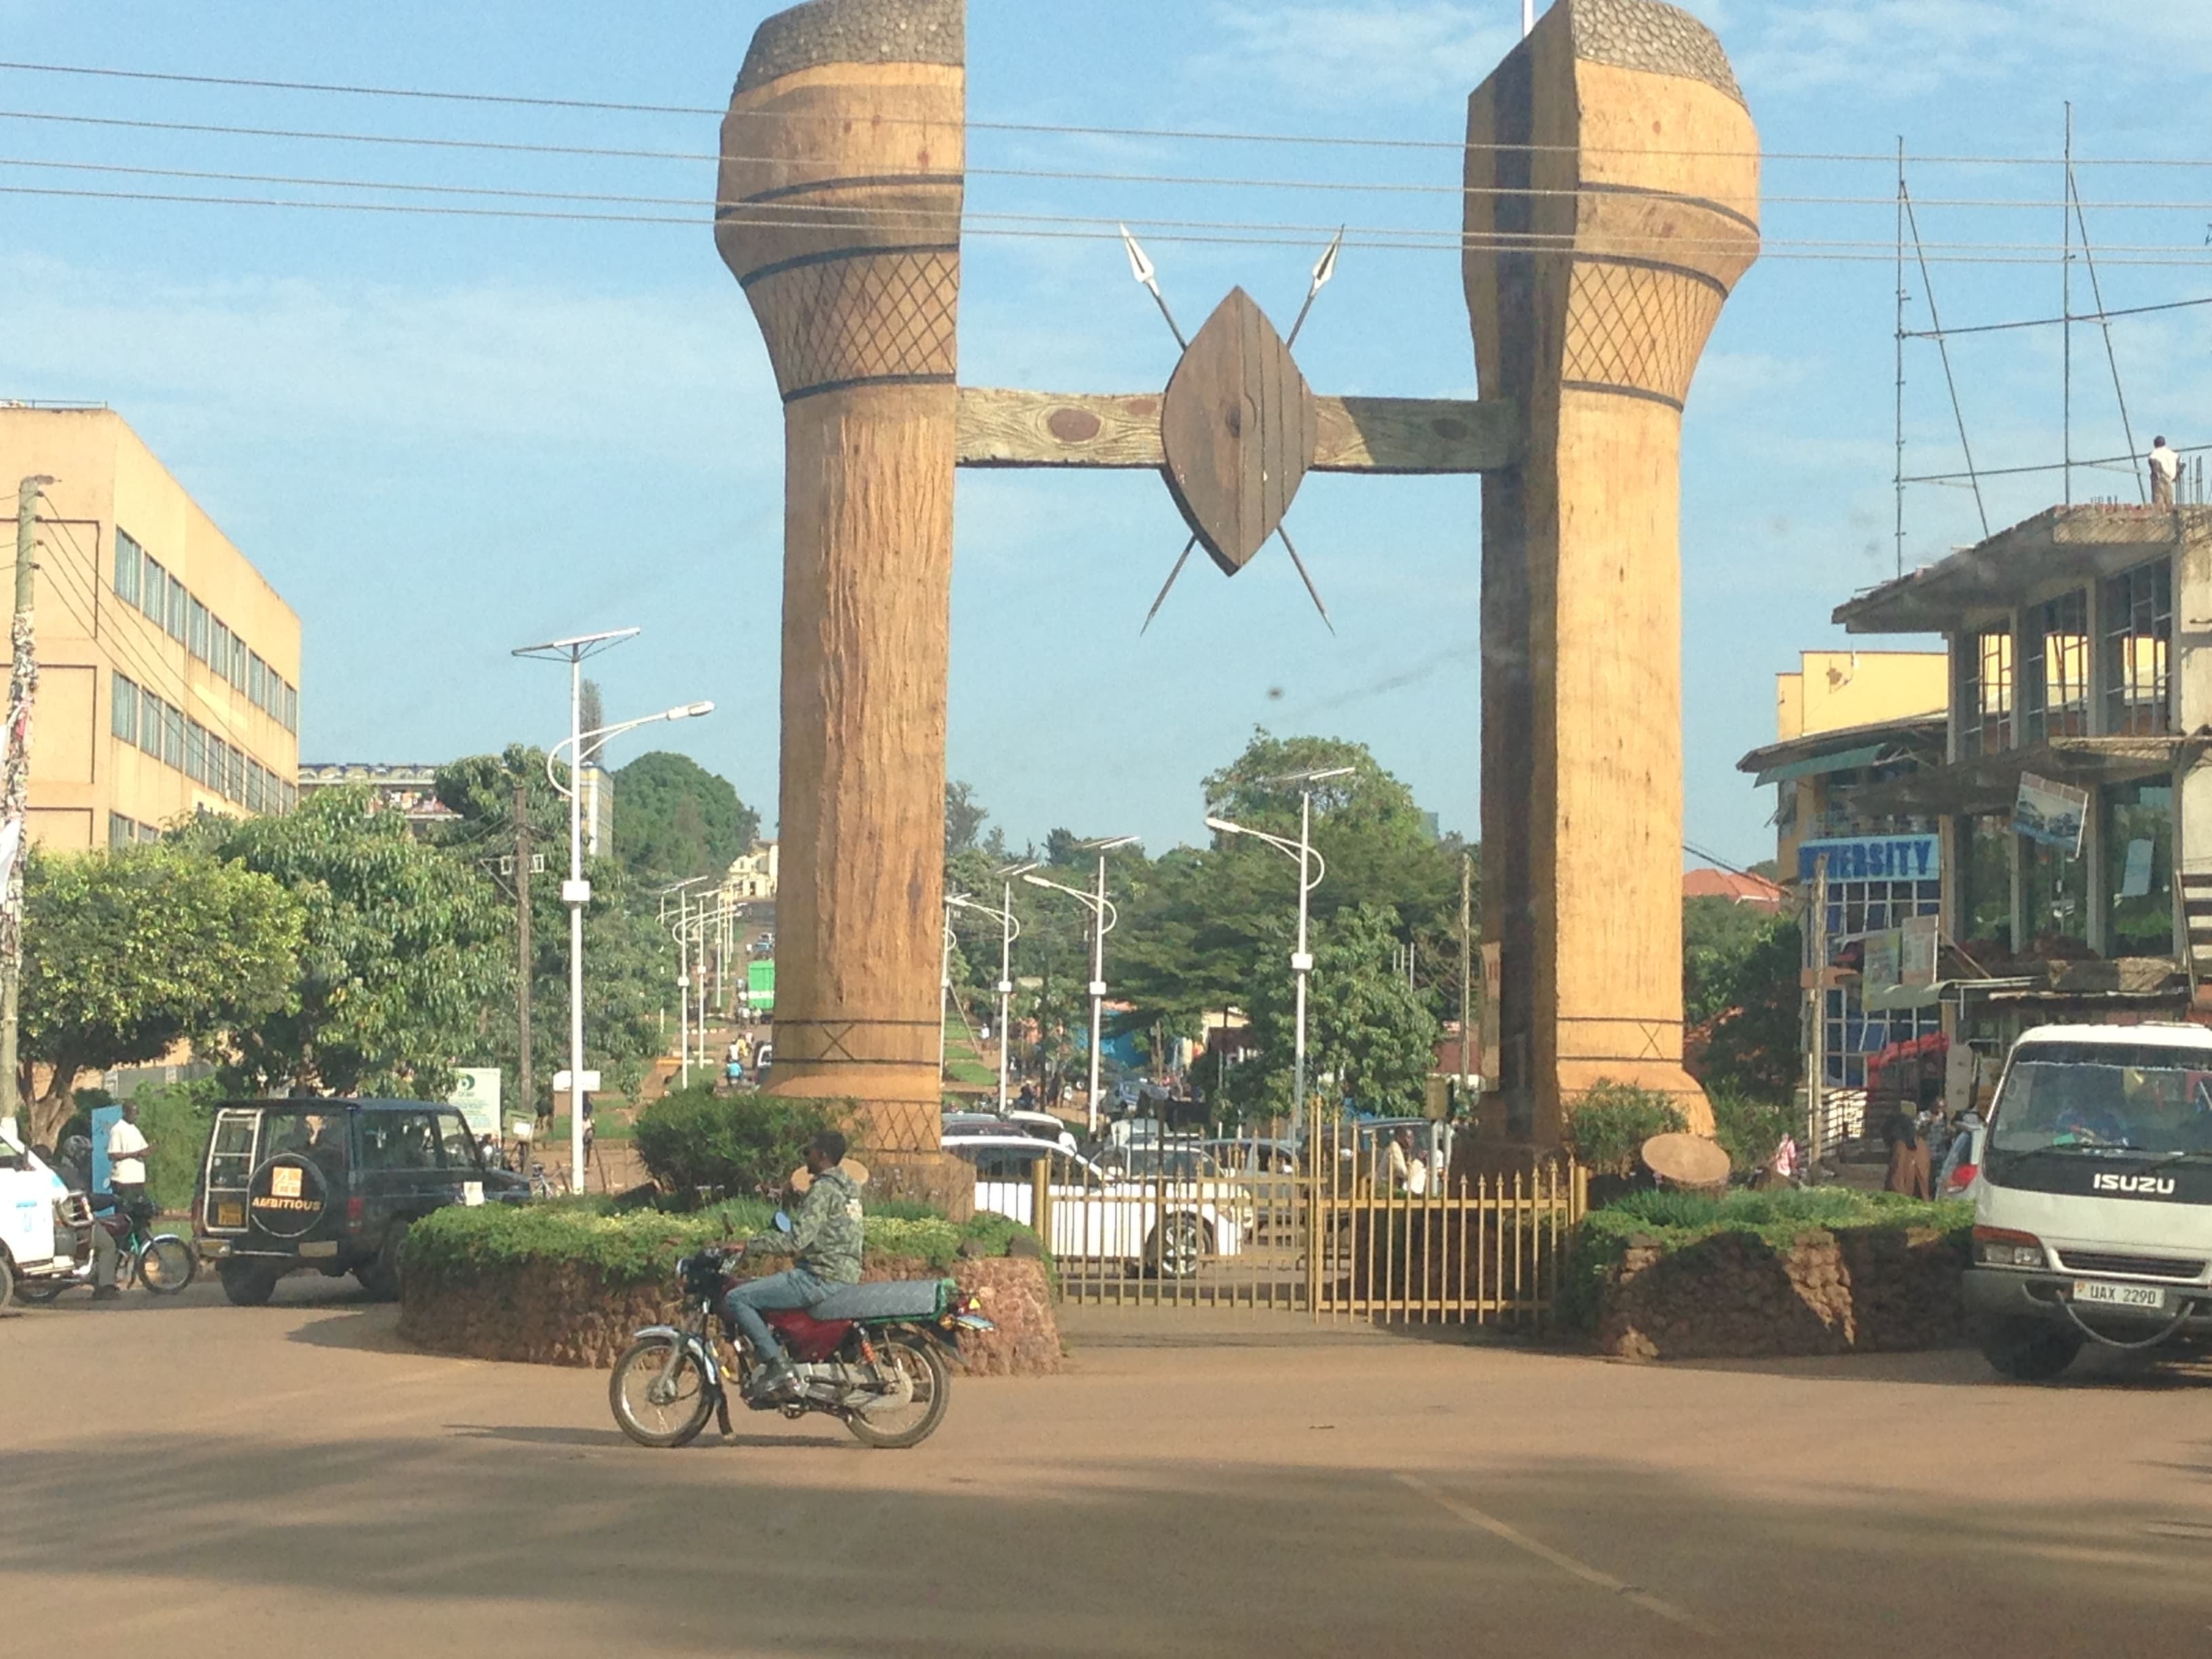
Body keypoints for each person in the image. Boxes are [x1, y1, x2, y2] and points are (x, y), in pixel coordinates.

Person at [722, 1130, 863, 1397]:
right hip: (844, 1273)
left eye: (808, 1152)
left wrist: (749, 1245)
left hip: (819, 1277)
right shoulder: (850, 1188)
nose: (805, 1157)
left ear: (821, 1155)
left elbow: (797, 1241)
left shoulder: (823, 1190)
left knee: (737, 1298)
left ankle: (777, 1365)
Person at [52, 1134, 119, 1299]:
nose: (87, 1157)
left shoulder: (60, 1171)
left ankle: (96, 1274)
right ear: (75, 1154)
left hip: (64, 1220)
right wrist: (112, 1200)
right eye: (84, 1153)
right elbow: (86, 1200)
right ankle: (105, 1287)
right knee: (108, 1245)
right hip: (76, 1224)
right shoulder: (72, 1175)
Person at [106, 1101, 155, 1228]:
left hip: (137, 1180)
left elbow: (142, 1149)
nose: (136, 1116)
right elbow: (113, 1155)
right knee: (124, 1217)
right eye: (133, 1113)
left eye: (137, 1113)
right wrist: (135, 1154)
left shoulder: (134, 1129)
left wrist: (148, 1151)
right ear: (125, 1112)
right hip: (124, 1181)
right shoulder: (118, 1129)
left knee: (139, 1215)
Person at [1881, 1105, 1931, 1200]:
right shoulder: (1921, 1144)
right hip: (1919, 1195)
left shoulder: (1900, 1146)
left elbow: (1897, 1173)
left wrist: (1894, 1197)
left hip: (1904, 1196)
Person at [2150, 435, 2182, 508]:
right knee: (2169, 499)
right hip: (2170, 478)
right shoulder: (2172, 454)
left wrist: (2156, 475)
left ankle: (2160, 516)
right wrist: (2177, 475)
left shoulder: (2154, 454)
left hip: (2160, 478)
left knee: (2159, 500)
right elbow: (2181, 463)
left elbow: (2154, 466)